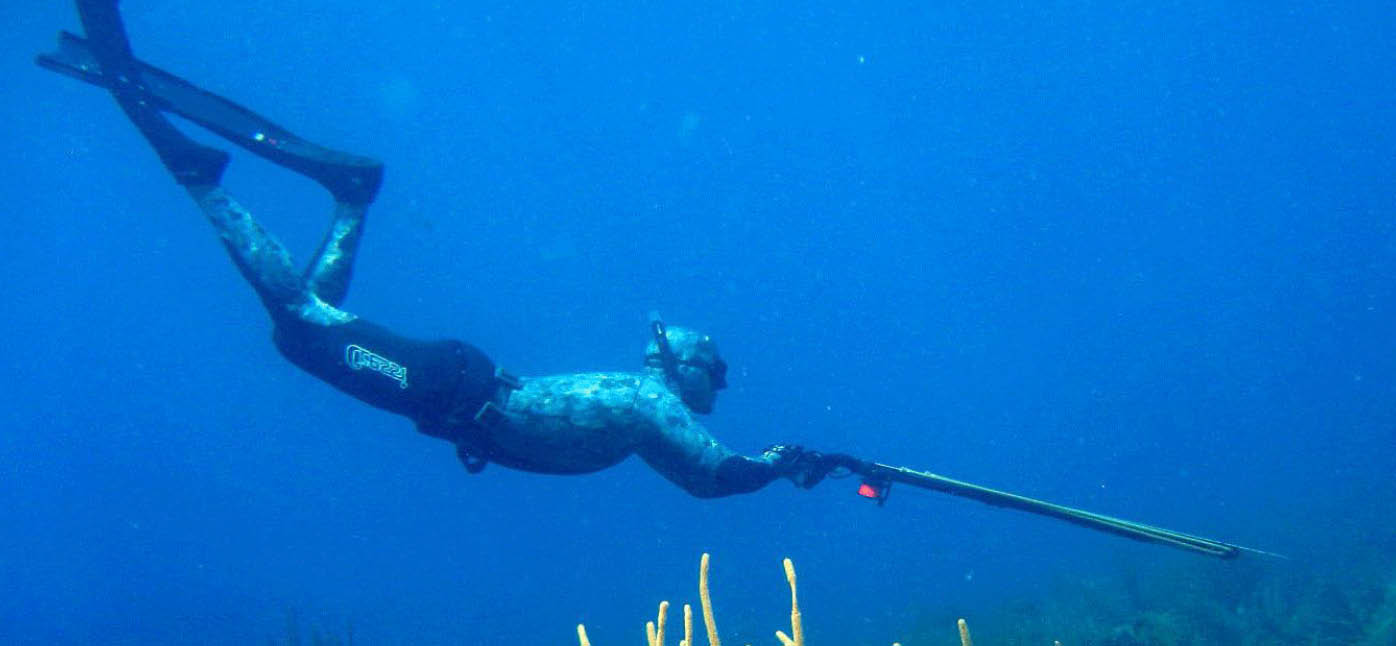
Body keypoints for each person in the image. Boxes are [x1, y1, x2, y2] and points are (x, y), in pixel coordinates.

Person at [40, 0, 839, 498]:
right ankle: (201, 181)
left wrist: (774, 461)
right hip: (446, 388)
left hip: (455, 389)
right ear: (685, 366)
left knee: (307, 326)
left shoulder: (643, 409)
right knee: (297, 317)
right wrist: (776, 464)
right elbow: (718, 476)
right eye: (715, 373)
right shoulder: (653, 403)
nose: (714, 388)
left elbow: (707, 481)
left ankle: (351, 200)